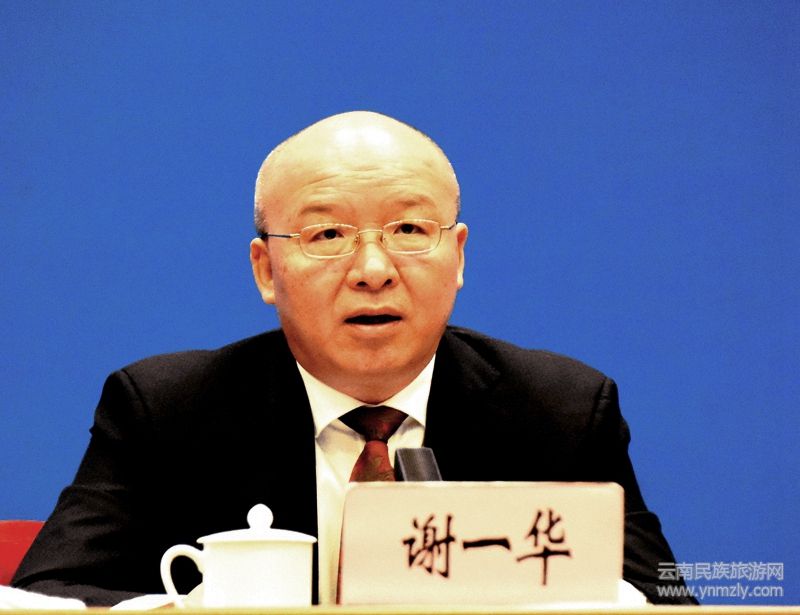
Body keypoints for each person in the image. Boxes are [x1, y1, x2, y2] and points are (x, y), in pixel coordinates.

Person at [12, 111, 694, 605]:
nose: (373, 269)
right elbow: (46, 596)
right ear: (266, 270)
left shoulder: (559, 409)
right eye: (328, 234)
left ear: (458, 256)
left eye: (409, 229)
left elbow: (668, 601)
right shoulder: (167, 410)